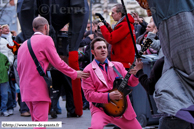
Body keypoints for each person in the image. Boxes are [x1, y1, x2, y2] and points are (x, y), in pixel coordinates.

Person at [17, 16, 90, 125]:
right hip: (38, 89)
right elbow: (58, 63)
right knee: (40, 124)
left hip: (25, 90)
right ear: (46, 27)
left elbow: (19, 68)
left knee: (36, 122)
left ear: (33, 29)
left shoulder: (23, 45)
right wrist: (74, 73)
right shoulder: (46, 39)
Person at [81, 37, 142, 129]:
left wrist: (136, 75)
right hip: (101, 110)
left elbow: (131, 82)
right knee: (95, 127)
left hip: (122, 109)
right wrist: (108, 96)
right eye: (99, 48)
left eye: (104, 47)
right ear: (93, 52)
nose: (103, 50)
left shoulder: (118, 66)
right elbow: (89, 95)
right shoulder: (87, 70)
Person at [98, 4, 136, 69]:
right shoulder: (126, 24)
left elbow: (111, 39)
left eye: (113, 13)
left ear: (119, 13)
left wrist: (102, 27)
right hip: (123, 62)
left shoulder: (124, 25)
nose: (111, 15)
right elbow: (118, 37)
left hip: (122, 63)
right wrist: (109, 29)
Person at [0, 52, 10, 117]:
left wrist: (5, 68)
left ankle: (4, 109)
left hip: (4, 78)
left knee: (4, 95)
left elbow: (8, 64)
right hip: (4, 78)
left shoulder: (3, 56)